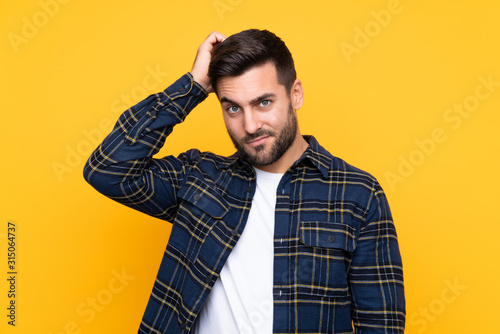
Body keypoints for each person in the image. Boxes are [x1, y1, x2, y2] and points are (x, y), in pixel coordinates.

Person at [84, 29, 405, 334]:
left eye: (263, 102)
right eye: (233, 108)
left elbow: (381, 324)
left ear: (296, 94)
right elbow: (109, 168)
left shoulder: (358, 194)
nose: (249, 125)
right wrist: (193, 85)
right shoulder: (200, 177)